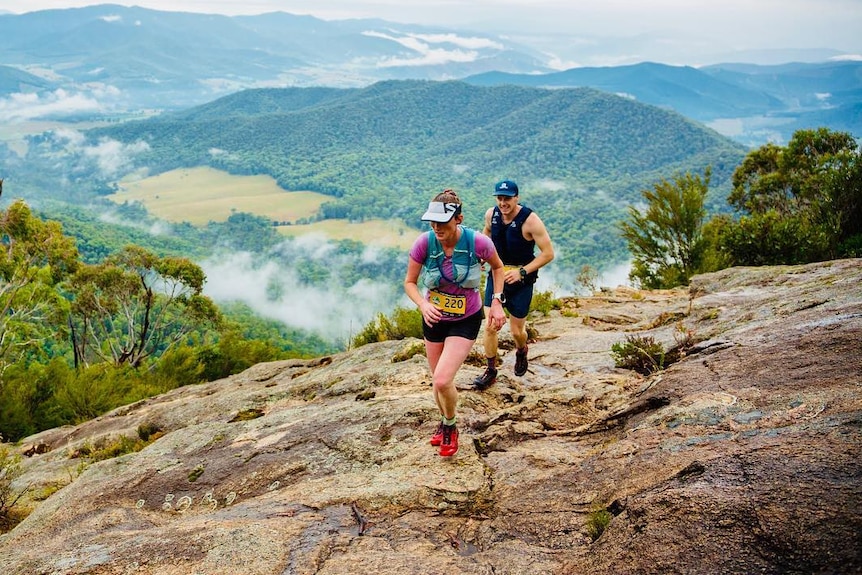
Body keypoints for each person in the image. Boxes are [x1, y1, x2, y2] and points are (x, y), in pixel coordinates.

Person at [404, 189, 507, 457]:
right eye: (433, 223)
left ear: (458, 218)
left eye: (443, 223)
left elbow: (498, 267)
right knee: (438, 383)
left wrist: (496, 302)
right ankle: (444, 420)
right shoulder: (424, 244)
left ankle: (450, 426)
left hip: (466, 318)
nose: (436, 228)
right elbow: (410, 283)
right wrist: (423, 304)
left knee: (441, 379)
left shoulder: (478, 243)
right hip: (434, 319)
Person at [473, 179, 555, 389]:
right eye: (499, 198)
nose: (503, 203)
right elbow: (487, 234)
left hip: (522, 280)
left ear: (516, 198)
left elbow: (548, 254)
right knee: (490, 326)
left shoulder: (531, 221)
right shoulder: (491, 214)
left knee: (517, 330)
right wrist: (482, 256)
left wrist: (521, 272)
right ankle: (490, 370)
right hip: (497, 274)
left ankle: (522, 350)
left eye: (507, 198)